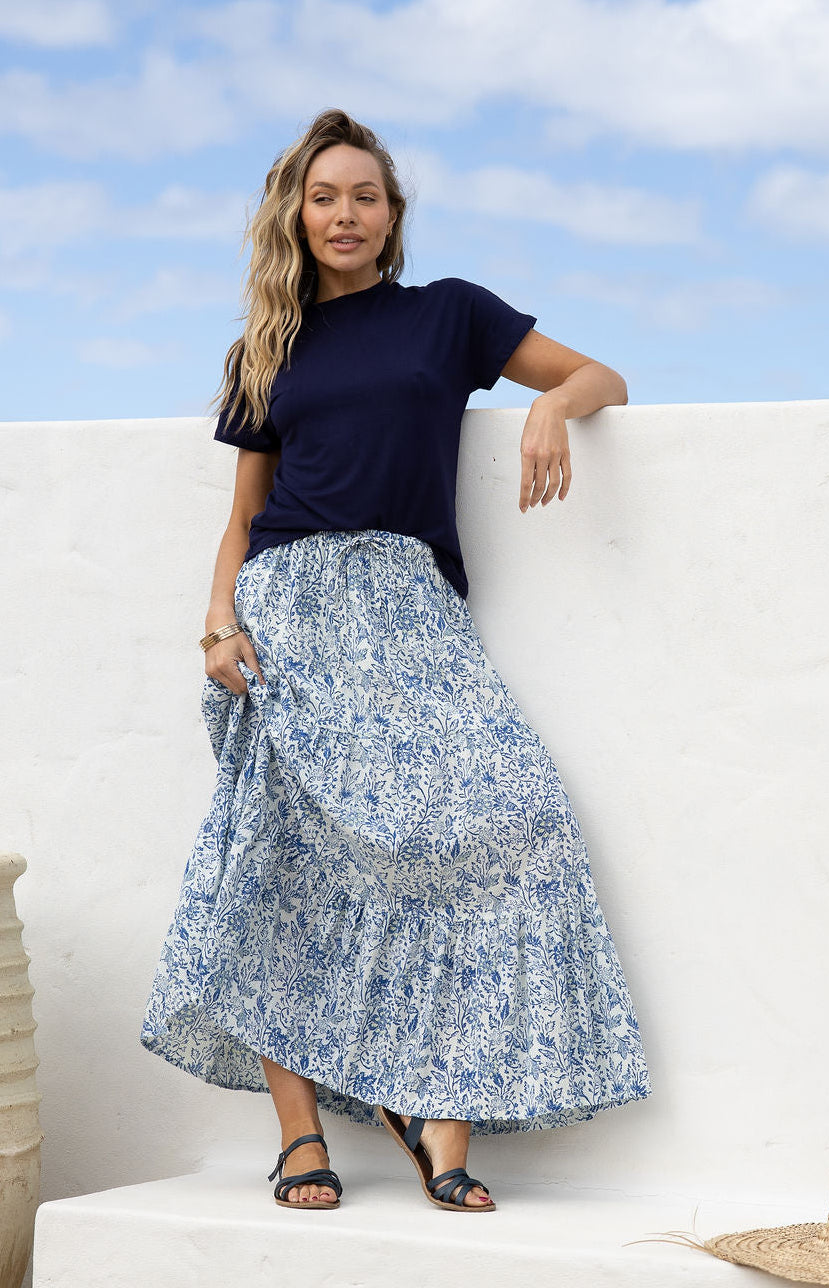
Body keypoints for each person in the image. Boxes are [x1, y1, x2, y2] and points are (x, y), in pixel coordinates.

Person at [141, 108, 651, 1214]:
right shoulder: (264, 349)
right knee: (278, 855)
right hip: (289, 606)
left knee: (508, 814)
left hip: (411, 606)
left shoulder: (448, 317)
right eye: (323, 197)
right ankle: (298, 1139)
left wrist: (550, 408)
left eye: (363, 196)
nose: (343, 214)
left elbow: (602, 374)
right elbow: (245, 517)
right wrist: (220, 625)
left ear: (392, 214)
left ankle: (436, 1109)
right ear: (295, 213)